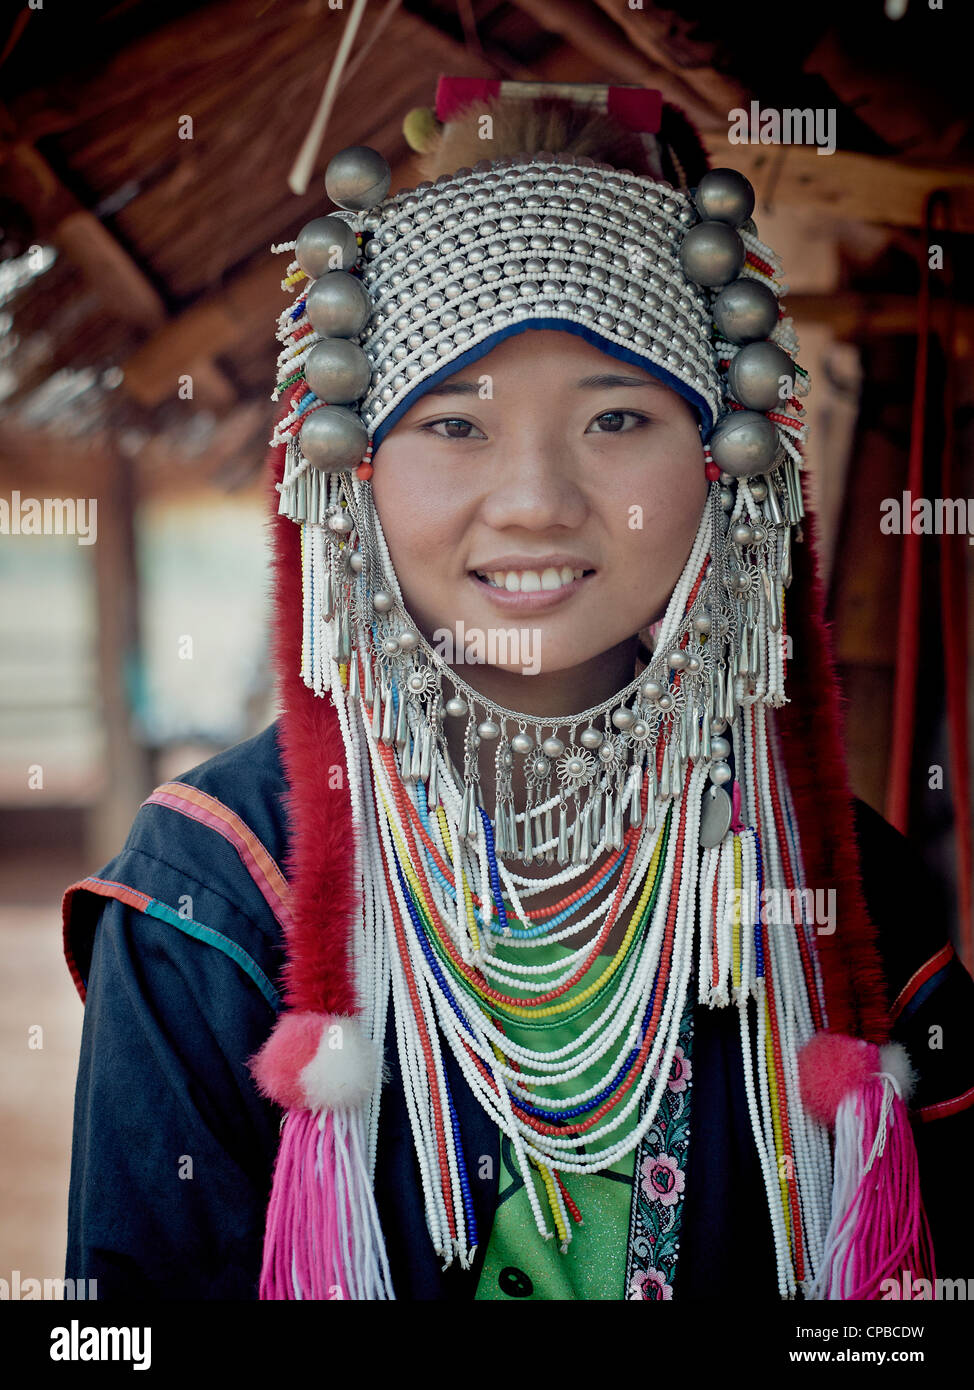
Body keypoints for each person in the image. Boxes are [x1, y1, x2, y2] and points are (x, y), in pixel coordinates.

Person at [63, 81, 974, 1302]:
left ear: (726, 469)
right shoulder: (214, 897)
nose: (537, 497)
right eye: (453, 425)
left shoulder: (843, 903)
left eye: (614, 416)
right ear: (351, 471)